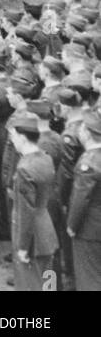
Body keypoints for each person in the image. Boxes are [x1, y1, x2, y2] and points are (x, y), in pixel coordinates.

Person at [8, 112, 57, 291]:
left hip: (32, 238)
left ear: (22, 137)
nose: (12, 140)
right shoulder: (46, 158)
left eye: (13, 136)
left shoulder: (24, 168)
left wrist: (22, 246)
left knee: (30, 284)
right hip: (46, 233)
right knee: (48, 282)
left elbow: (26, 211)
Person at [66, 109, 101, 292]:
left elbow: (80, 199)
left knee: (89, 277)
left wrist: (72, 226)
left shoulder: (88, 163)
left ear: (87, 132)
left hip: (89, 229)